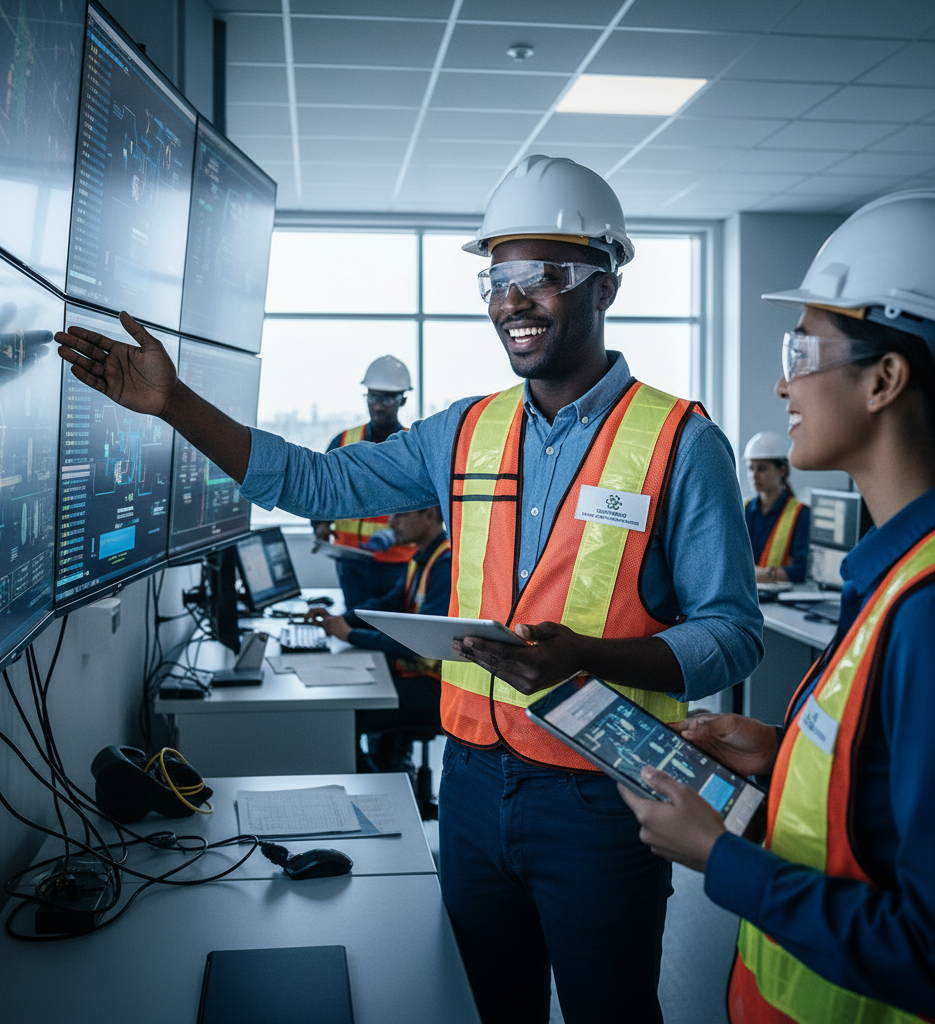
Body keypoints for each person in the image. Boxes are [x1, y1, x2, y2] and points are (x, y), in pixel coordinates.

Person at [54, 154, 763, 1024]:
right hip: (468, 782)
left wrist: (589, 658)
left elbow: (732, 633)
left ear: (605, 285)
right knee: (482, 1006)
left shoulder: (681, 441)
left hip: (600, 793)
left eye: (544, 275)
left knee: (608, 1010)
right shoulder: (463, 429)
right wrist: (176, 404)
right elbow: (313, 483)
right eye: (497, 277)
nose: (514, 299)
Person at [619, 190, 935, 1023]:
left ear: (887, 379)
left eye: (803, 351)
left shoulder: (928, 612)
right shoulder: (896, 574)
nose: (781, 381)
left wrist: (720, 856)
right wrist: (784, 750)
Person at [311, 505, 449, 779]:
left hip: (437, 688)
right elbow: (388, 605)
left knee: (342, 720)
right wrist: (342, 620)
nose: (391, 523)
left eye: (400, 516)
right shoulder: (423, 555)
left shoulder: (444, 565)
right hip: (414, 671)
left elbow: (417, 644)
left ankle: (385, 789)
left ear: (430, 514)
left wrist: (349, 634)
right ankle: (384, 775)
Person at [311, 356, 417, 611]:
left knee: (394, 638)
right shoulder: (344, 441)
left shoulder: (413, 446)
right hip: (352, 563)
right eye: (373, 397)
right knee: (354, 632)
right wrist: (321, 524)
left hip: (398, 562)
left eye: (388, 399)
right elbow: (320, 491)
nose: (379, 406)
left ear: (402, 399)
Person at [743, 430, 810, 583]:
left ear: (782, 470)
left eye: (762, 468)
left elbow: (802, 569)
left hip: (778, 598)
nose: (754, 475)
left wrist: (762, 575)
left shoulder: (800, 513)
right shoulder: (743, 509)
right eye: (751, 468)